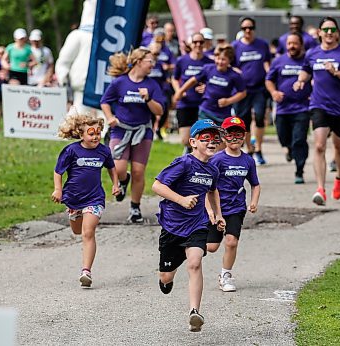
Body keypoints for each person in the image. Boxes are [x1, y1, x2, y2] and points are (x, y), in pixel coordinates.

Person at [152, 119, 225, 332]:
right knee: (166, 277)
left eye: (215, 138)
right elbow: (157, 185)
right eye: (206, 138)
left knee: (195, 263)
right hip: (173, 226)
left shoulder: (212, 170)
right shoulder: (183, 163)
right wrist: (181, 200)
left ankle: (195, 312)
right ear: (193, 142)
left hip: (197, 224)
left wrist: (218, 214)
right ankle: (167, 277)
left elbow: (212, 191)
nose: (212, 142)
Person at [294, 16, 340, 206]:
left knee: (339, 146)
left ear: (338, 33)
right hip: (319, 105)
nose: (329, 33)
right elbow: (306, 69)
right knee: (319, 146)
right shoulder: (312, 53)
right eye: (325, 30)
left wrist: (337, 73)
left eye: (332, 30)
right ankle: (320, 189)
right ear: (320, 33)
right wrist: (301, 80)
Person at [51, 112, 120, 287]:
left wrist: (116, 184)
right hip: (74, 199)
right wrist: (58, 190)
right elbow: (58, 171)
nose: (96, 136)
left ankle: (86, 271)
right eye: (91, 133)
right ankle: (75, 216)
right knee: (77, 231)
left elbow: (111, 168)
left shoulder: (104, 151)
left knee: (88, 232)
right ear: (81, 134)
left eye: (98, 133)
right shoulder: (71, 151)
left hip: (95, 198)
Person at [100, 47, 164, 223]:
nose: (153, 64)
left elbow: (159, 110)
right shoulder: (120, 83)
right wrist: (110, 117)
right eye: (149, 61)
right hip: (120, 129)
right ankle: (123, 179)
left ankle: (135, 208)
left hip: (143, 131)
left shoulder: (152, 85)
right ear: (138, 62)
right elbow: (105, 101)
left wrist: (148, 99)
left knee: (138, 171)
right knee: (117, 168)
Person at [206, 116, 260, 292]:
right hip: (217, 208)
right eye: (230, 134)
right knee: (212, 247)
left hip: (236, 208)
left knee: (231, 242)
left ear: (244, 136)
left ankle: (226, 275)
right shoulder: (217, 160)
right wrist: (210, 210)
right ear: (223, 137)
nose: (234, 138)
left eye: (238, 134)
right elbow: (208, 187)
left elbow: (255, 184)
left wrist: (253, 202)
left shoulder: (248, 161)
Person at [266, 32, 311, 184]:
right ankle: (289, 148)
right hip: (283, 108)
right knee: (283, 137)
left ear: (301, 45)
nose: (292, 46)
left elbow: (316, 78)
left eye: (295, 43)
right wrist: (273, 92)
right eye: (289, 43)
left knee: (299, 139)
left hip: (302, 108)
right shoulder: (278, 61)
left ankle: (299, 170)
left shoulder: (307, 61)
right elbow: (269, 80)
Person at [174, 45, 246, 126]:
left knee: (219, 137)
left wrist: (228, 101)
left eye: (223, 60)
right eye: (218, 58)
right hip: (206, 111)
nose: (220, 62)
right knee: (205, 136)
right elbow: (193, 80)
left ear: (229, 61)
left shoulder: (234, 75)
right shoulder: (208, 69)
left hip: (223, 114)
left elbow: (242, 93)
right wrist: (180, 91)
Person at [232, 16, 271, 164]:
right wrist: (238, 73)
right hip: (242, 90)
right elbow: (231, 66)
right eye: (244, 28)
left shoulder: (262, 44)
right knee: (244, 121)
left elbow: (267, 63)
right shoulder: (235, 46)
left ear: (254, 29)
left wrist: (270, 77)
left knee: (260, 116)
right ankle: (249, 149)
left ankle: (259, 149)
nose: (247, 31)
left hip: (259, 88)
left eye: (250, 28)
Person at [172, 32, 213, 153]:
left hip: (202, 104)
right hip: (185, 103)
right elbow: (174, 78)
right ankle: (189, 151)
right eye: (195, 42)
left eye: (201, 42)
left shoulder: (209, 62)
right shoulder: (182, 60)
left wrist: (206, 87)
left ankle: (196, 160)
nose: (198, 45)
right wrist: (179, 91)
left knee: (202, 136)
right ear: (191, 44)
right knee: (185, 140)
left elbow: (213, 81)